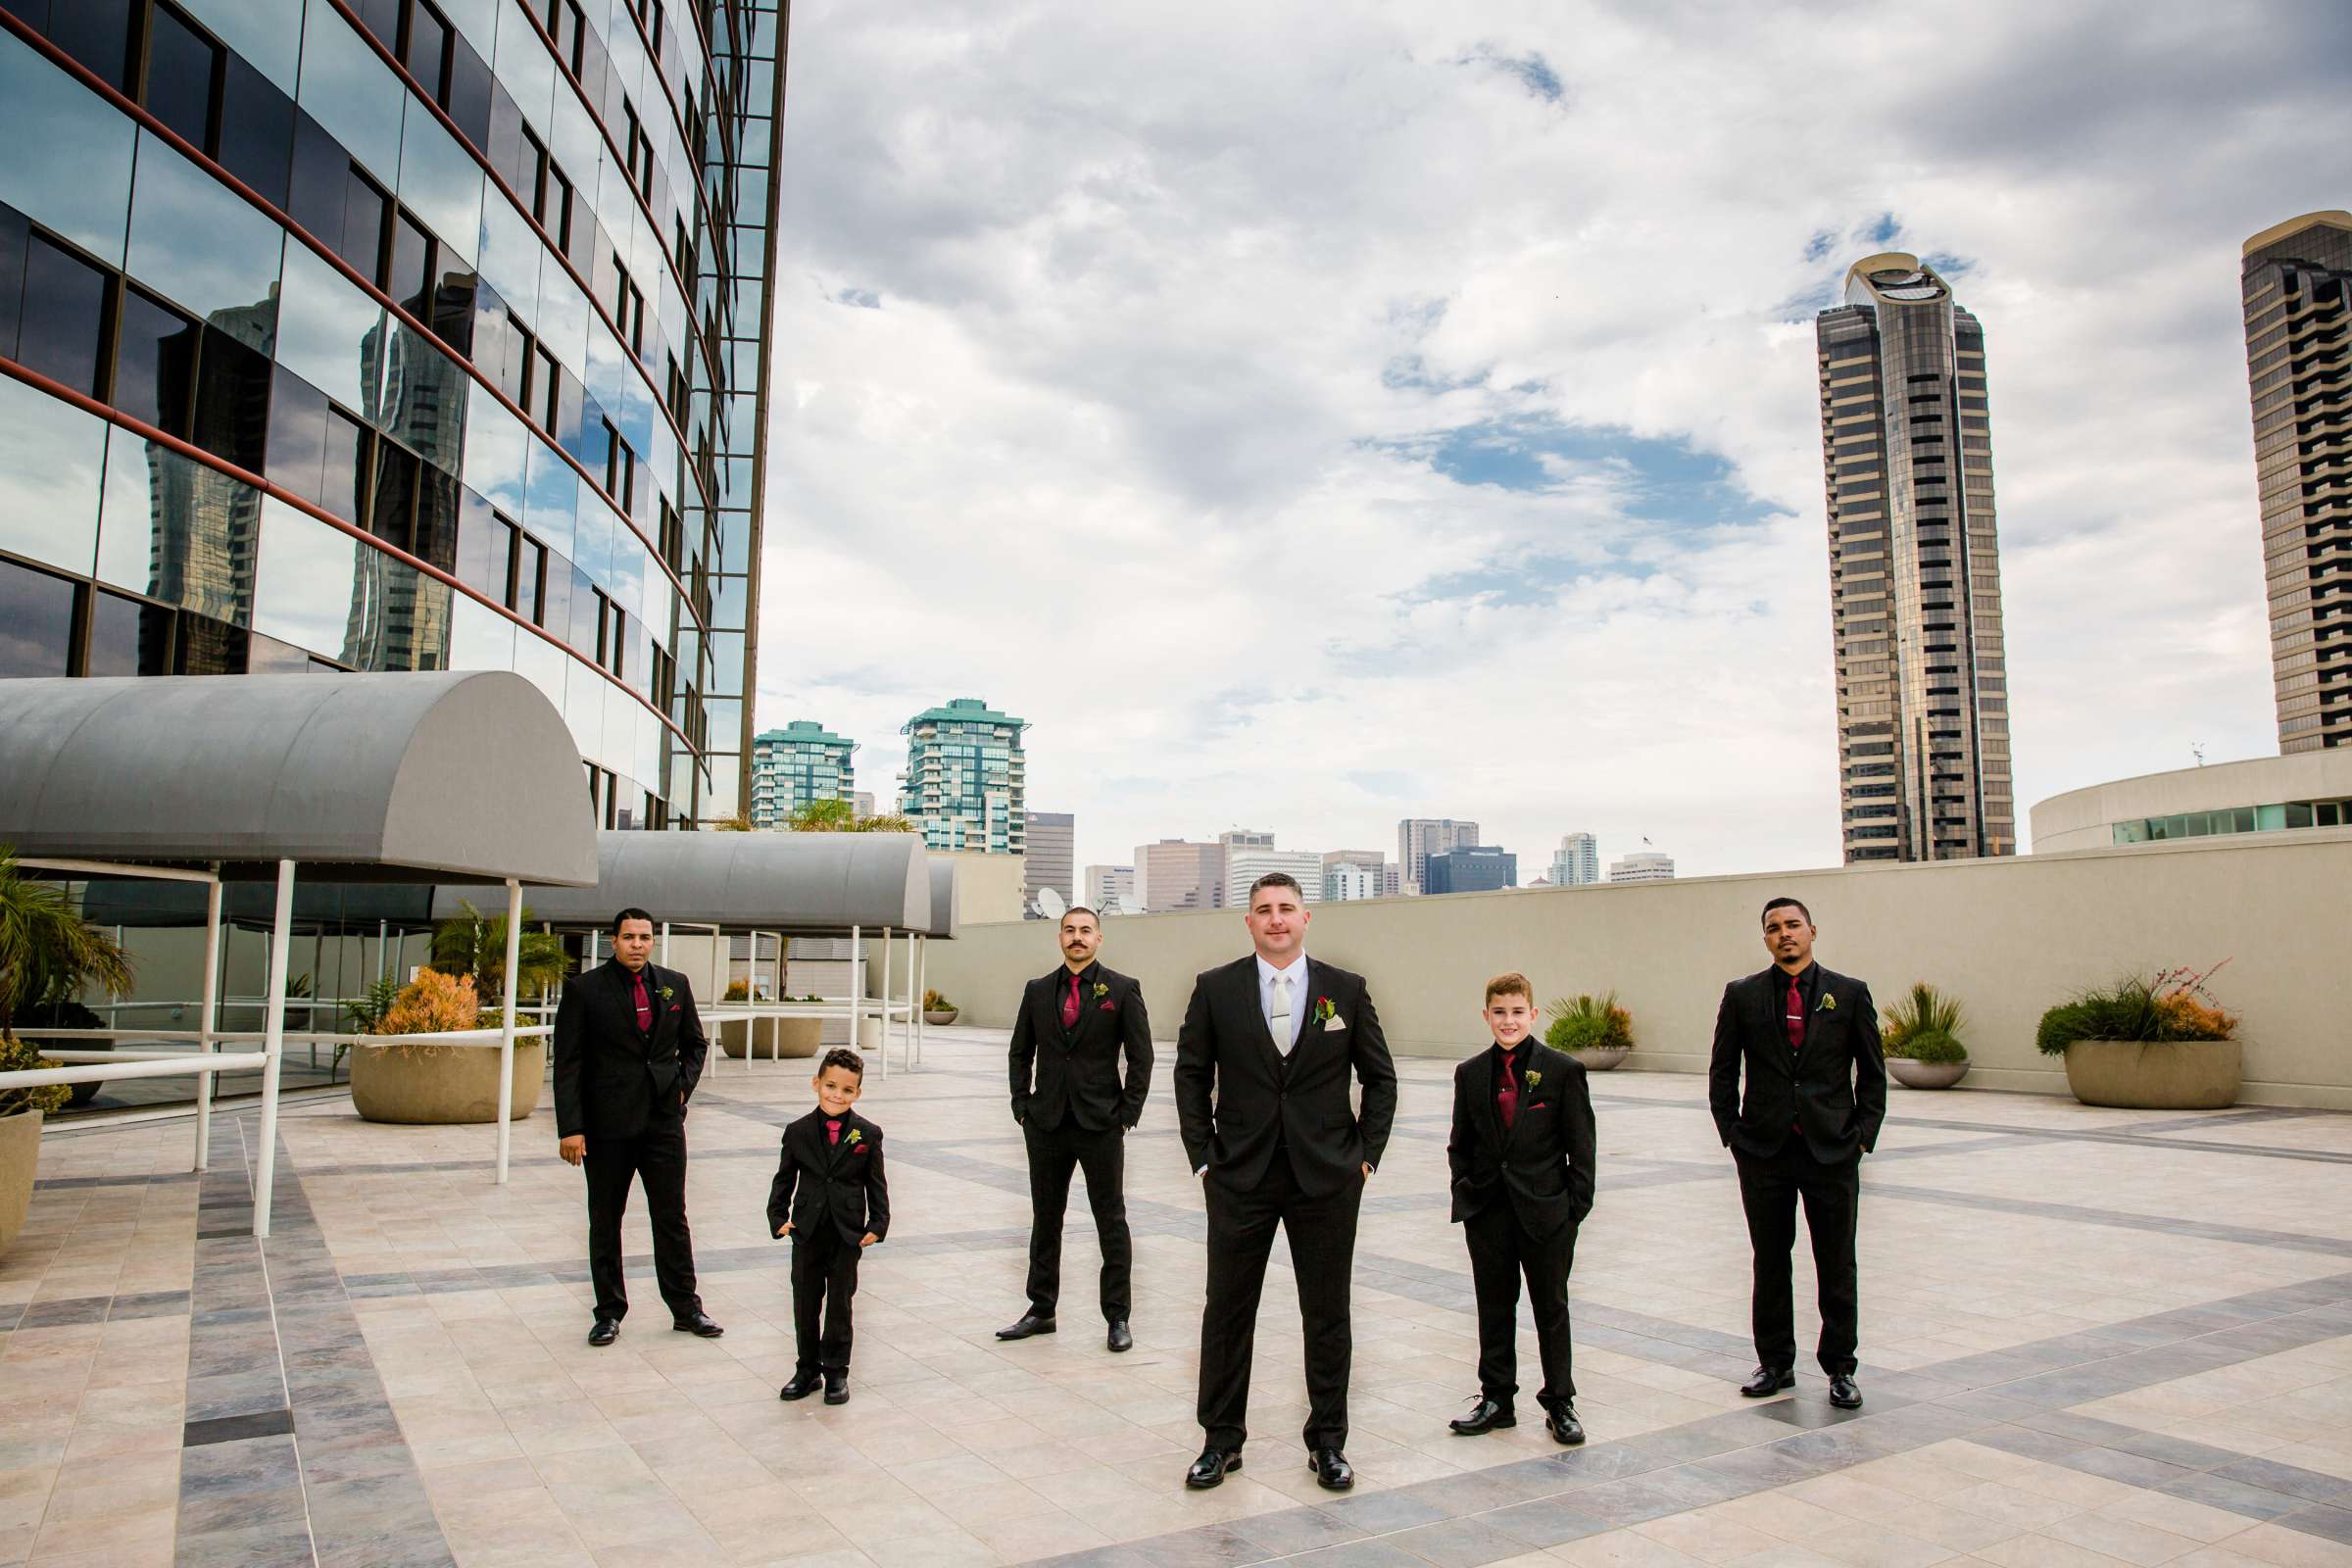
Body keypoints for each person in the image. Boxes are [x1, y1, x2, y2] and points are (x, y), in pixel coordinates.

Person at [1172, 872, 1396, 1493]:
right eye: (1264, 910)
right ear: (1248, 921)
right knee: (1227, 1311)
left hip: (1325, 1179)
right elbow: (1191, 1076)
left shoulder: (1344, 992)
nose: (1276, 919)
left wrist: (1365, 1156)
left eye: (1287, 909)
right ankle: (1221, 1440)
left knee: (1327, 1313)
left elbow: (1381, 1079)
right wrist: (1203, 1157)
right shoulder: (1215, 990)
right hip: (1239, 1176)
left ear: (1306, 918)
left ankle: (1328, 1442)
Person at [1708, 897, 1886, 1408]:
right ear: (1764, 938)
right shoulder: (1742, 995)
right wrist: (1733, 1135)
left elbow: (1873, 1075)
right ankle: (1776, 1364)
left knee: (1836, 1262)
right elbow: (1723, 1070)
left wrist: (1861, 1137)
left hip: (1831, 1150)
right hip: (1764, 1152)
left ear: (1812, 930)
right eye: (1773, 928)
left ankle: (1840, 1368)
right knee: (1770, 1259)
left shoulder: (1848, 995)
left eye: (1792, 925)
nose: (1784, 934)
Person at [553, 907, 723, 1346]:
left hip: (663, 1123)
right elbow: (568, 1065)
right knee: (606, 1219)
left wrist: (682, 1088)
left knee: (672, 1218)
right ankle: (609, 1312)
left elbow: (695, 1045)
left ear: (653, 941)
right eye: (628, 937)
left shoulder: (674, 984)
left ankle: (686, 1308)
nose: (637, 945)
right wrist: (570, 1128)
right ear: (613, 941)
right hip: (606, 1127)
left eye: (644, 937)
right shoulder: (584, 990)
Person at [1446, 972, 1595, 1446]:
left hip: (1547, 1213)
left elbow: (1582, 1149)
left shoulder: (1562, 1071)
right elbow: (1460, 1143)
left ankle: (1559, 1402)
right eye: (1498, 1012)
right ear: (1485, 1015)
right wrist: (1465, 1192)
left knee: (1551, 1307)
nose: (1507, 1021)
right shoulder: (1469, 1074)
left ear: (1533, 1014)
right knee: (1494, 1306)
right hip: (1488, 1210)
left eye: (1516, 1012)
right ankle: (1496, 1399)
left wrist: (1572, 1211)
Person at [1000, 906, 1153, 1351]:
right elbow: (1019, 1052)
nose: (1077, 937)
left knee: (1111, 1221)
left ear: (1099, 938)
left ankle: (1118, 1317)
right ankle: (1041, 1309)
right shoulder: (1038, 990)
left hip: (1100, 1124)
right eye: (1069, 930)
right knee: (1045, 1219)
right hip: (1046, 1123)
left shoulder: (1121, 990)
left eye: (1086, 930)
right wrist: (1021, 1106)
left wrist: (1127, 1113)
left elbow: (1141, 1058)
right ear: (1059, 938)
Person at [770, 1048, 889, 1406]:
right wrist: (778, 1218)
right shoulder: (797, 1132)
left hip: (847, 1232)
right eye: (831, 1086)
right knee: (805, 1300)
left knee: (841, 1302)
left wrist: (878, 1224)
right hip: (805, 1231)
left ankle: (837, 1371)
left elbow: (876, 1184)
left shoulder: (868, 1134)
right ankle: (807, 1369)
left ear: (858, 1094)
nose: (837, 1095)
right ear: (816, 1084)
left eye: (847, 1090)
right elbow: (784, 1179)